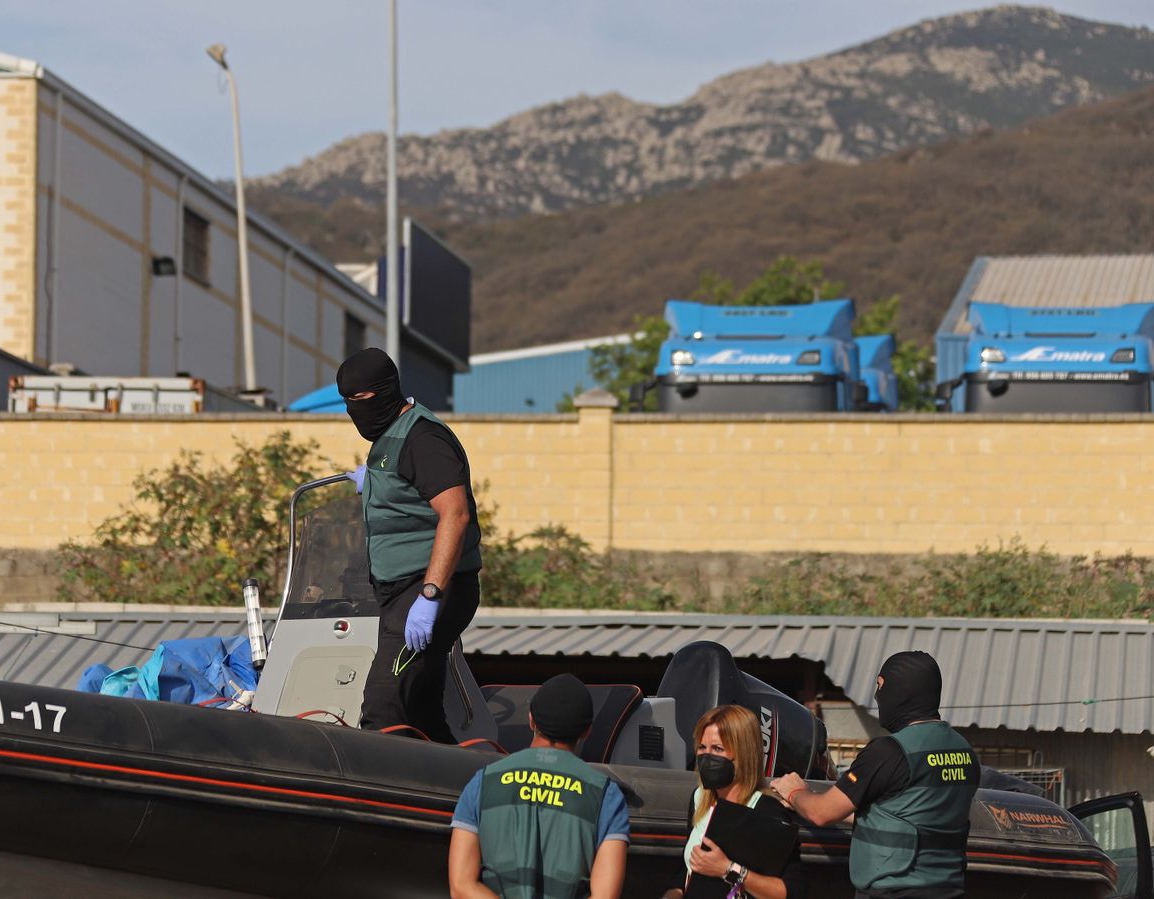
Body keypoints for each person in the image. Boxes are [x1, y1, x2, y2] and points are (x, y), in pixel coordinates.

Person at [338, 347, 482, 743]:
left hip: (426, 589)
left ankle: (376, 797)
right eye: (347, 402)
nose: (354, 410)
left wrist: (431, 594)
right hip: (397, 591)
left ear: (386, 391)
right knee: (421, 711)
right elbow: (410, 492)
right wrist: (374, 482)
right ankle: (456, 789)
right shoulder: (390, 439)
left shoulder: (422, 437)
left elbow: (455, 513)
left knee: (383, 708)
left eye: (361, 400)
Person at [772, 651, 980, 899]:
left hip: (894, 891)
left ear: (903, 689)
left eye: (881, 686)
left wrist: (795, 792)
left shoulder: (890, 751)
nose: (876, 696)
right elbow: (904, 815)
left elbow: (820, 813)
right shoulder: (964, 751)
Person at [449, 674, 630, 899]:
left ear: (531, 720)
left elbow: (461, 886)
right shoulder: (606, 796)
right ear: (587, 731)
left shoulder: (483, 782)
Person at [665, 705, 806, 899]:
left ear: (743, 754)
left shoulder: (767, 810)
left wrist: (728, 869)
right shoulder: (700, 799)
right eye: (702, 747)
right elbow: (689, 869)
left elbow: (791, 892)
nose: (707, 756)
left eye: (718, 749)